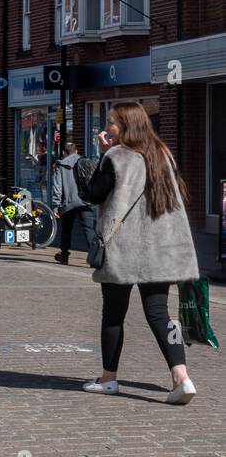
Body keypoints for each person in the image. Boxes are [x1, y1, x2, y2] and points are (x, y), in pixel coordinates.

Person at [78, 101, 198, 404]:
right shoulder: (162, 155)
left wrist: (102, 154)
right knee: (160, 314)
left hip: (123, 249)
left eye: (112, 123)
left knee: (114, 314)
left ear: (128, 126)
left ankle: (108, 379)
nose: (106, 129)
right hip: (160, 250)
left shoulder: (116, 157)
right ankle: (181, 377)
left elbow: (92, 193)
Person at [52, 141, 97, 266]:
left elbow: (57, 187)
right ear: (76, 151)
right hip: (86, 201)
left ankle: (64, 256)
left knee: (66, 230)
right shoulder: (85, 161)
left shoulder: (61, 165)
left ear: (63, 152)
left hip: (69, 203)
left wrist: (56, 205)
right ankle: (95, 258)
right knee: (89, 229)